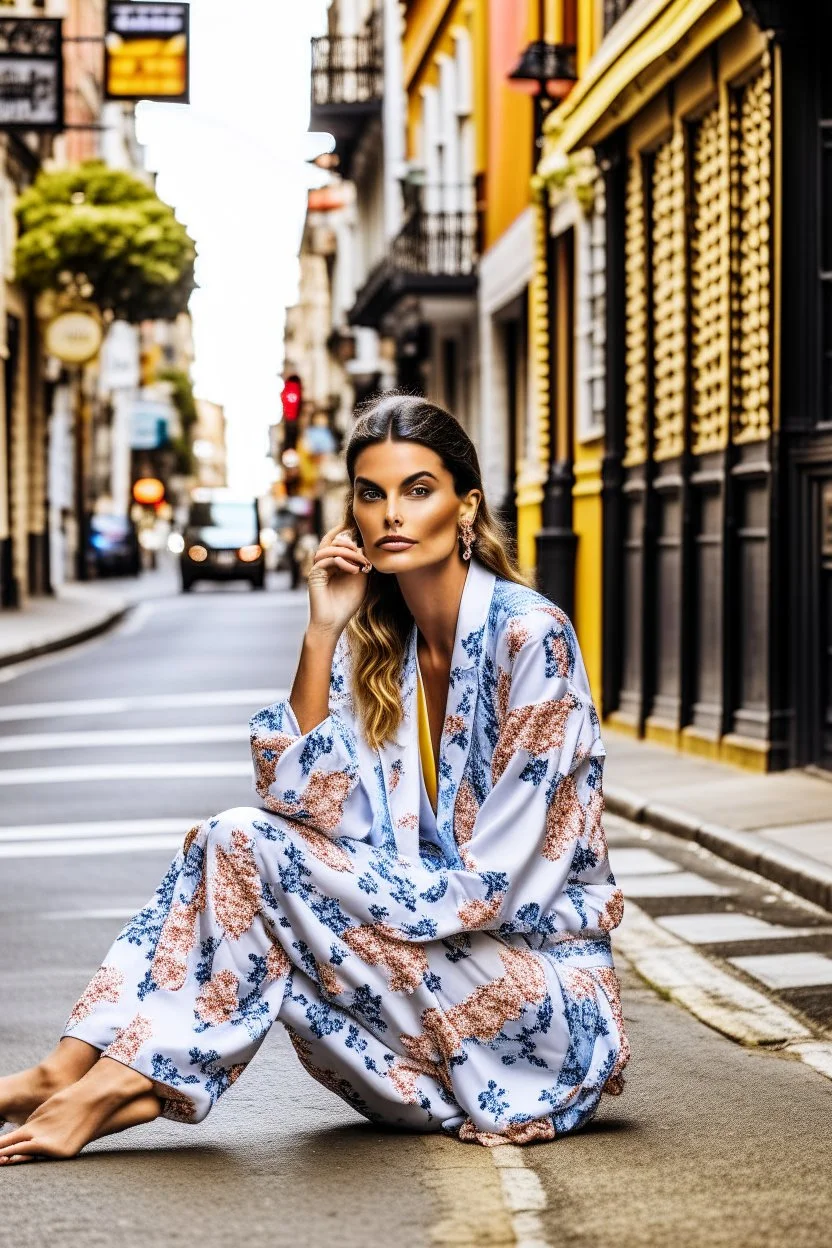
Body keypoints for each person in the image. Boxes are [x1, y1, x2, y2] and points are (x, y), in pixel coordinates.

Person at [0, 393, 629, 1164]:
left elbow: (498, 887)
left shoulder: (533, 637)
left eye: (418, 490)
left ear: (467, 507)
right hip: (420, 1017)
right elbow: (305, 806)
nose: (391, 513)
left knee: (242, 846)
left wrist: (315, 894)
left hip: (538, 1024)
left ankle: (109, 1083)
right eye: (372, 494)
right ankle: (78, 1071)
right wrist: (323, 630)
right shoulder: (380, 648)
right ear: (352, 516)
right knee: (240, 846)